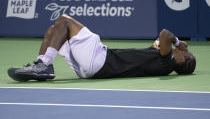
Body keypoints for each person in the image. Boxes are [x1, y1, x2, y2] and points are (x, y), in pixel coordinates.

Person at [8, 14, 196, 82]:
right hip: (89, 70)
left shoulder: (167, 61)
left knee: (63, 21)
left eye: (186, 54)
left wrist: (179, 43)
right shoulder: (161, 60)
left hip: (100, 59)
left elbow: (164, 34)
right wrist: (174, 45)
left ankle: (44, 66)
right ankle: (41, 66)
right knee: (53, 30)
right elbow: (159, 41)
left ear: (182, 60)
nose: (182, 51)